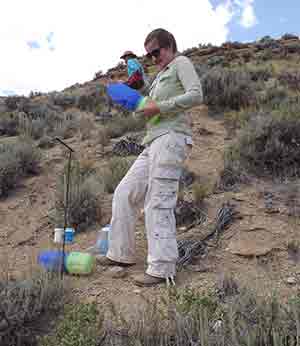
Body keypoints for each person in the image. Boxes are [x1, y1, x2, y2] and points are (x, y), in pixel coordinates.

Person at [100, 29, 203, 287]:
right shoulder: (159, 77)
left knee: (158, 201)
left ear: (169, 45)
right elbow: (151, 107)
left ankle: (161, 268)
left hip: (172, 138)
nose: (153, 58)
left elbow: (195, 94)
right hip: (153, 140)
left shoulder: (181, 63)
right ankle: (120, 255)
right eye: (149, 55)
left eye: (156, 52)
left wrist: (160, 107)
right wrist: (135, 101)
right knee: (124, 192)